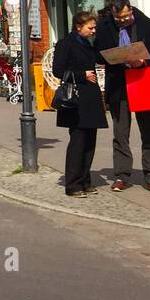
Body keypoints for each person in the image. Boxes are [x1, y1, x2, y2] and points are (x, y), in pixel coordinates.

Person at [95, 0, 150, 194]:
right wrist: (110, 57)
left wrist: (144, 61)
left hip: (143, 83)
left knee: (148, 132)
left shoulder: (147, 25)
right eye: (119, 18)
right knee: (120, 134)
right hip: (119, 86)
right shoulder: (105, 26)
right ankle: (121, 175)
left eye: (126, 16)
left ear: (131, 10)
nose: (123, 21)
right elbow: (97, 53)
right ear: (112, 14)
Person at [53, 10, 107, 198]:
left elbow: (98, 59)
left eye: (94, 28)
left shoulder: (89, 43)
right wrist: (82, 74)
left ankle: (86, 180)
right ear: (78, 27)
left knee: (90, 141)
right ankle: (73, 184)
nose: (93, 31)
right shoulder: (66, 44)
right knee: (78, 141)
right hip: (75, 98)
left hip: (90, 97)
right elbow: (58, 70)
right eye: (90, 28)